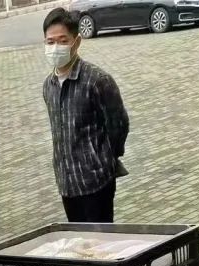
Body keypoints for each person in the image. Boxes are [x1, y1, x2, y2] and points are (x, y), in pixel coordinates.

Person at [42, 8, 129, 223]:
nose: (55, 48)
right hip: (66, 183)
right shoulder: (49, 85)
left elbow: (118, 124)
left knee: (101, 240)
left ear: (76, 42)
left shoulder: (97, 81)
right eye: (50, 42)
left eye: (62, 41)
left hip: (96, 182)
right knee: (78, 240)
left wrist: (103, 158)